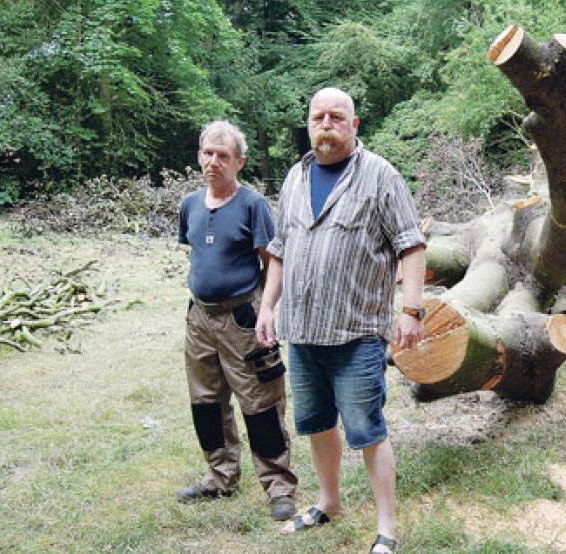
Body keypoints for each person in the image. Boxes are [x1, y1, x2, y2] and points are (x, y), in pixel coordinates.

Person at [256, 88, 426, 554]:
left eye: (337, 117)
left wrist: (411, 311)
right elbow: (279, 250)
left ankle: (387, 529)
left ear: (354, 126)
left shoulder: (380, 176)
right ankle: (329, 503)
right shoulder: (295, 177)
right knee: (316, 423)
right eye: (318, 117)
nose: (326, 124)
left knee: (367, 428)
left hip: (357, 333)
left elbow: (410, 246)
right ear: (309, 124)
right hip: (303, 330)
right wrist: (268, 307)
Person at [176, 120, 298, 522]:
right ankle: (220, 475)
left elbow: (272, 263)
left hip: (242, 318)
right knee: (206, 402)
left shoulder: (252, 205)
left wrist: (266, 310)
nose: (214, 162)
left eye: (223, 155)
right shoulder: (190, 204)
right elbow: (198, 255)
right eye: (208, 154)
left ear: (239, 161)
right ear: (199, 156)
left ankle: (279, 486)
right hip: (200, 319)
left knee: (260, 403)